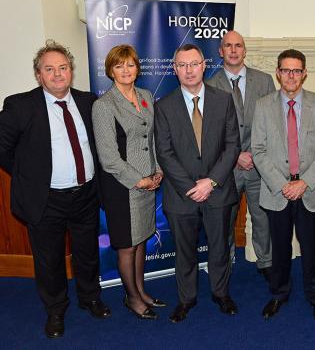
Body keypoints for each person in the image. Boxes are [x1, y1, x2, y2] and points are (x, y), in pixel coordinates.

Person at [0, 40, 111, 339]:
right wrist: (28, 178)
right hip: (46, 200)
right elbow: (3, 149)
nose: (58, 74)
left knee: (87, 254)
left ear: (71, 71)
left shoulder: (89, 102)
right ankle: (56, 310)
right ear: (39, 75)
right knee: (49, 261)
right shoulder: (19, 105)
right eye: (49, 69)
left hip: (86, 195)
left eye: (63, 68)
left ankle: (90, 298)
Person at [154, 43, 240, 323]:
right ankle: (186, 299)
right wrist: (192, 187)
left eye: (194, 64)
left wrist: (211, 182)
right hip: (182, 195)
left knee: (220, 247)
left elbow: (232, 146)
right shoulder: (163, 106)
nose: (189, 70)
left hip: (218, 191)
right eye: (182, 65)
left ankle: (220, 293)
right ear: (174, 69)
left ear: (204, 65)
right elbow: (164, 153)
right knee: (185, 252)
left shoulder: (224, 99)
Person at [252, 49, 315, 322]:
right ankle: (278, 294)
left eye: (296, 70)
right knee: (280, 247)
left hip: (309, 190)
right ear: (278, 73)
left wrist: (304, 182)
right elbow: (259, 150)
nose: (291, 76)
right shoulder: (263, 106)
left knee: (311, 247)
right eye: (286, 70)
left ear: (304, 73)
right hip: (277, 191)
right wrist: (282, 184)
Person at [92, 44, 165, 320]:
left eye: (130, 64)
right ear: (111, 70)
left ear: (137, 67)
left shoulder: (145, 96)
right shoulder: (104, 105)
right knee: (127, 244)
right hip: (122, 187)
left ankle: (141, 291)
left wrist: (157, 171)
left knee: (141, 239)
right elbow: (108, 158)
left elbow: (152, 139)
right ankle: (132, 298)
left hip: (148, 182)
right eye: (119, 66)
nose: (126, 70)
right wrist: (140, 180)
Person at [206, 30, 276, 280]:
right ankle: (224, 265)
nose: (234, 50)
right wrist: (236, 156)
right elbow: (209, 133)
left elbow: (272, 123)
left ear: (244, 51)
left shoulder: (265, 81)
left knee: (263, 218)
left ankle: (266, 262)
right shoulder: (209, 86)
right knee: (225, 220)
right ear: (220, 51)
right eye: (228, 46)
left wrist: (254, 154)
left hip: (259, 165)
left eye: (238, 46)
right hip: (226, 168)